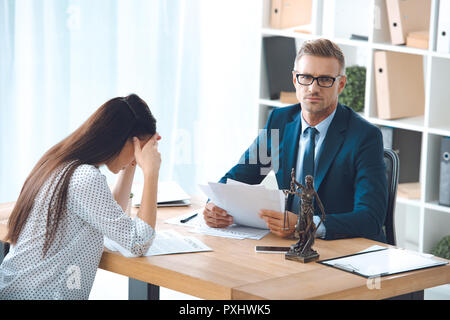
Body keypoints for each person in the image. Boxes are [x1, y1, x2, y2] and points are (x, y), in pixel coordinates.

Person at [203, 38, 388, 243]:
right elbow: (239, 178)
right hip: (288, 245)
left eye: (325, 79)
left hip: (340, 248)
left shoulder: (365, 136)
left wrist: (304, 224)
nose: (312, 88)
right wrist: (215, 205)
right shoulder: (280, 121)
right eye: (306, 77)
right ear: (294, 80)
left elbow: (371, 217)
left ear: (341, 84)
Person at [0, 94, 161, 300]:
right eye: (139, 150)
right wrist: (151, 172)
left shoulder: (62, 164)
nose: (139, 158)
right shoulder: (85, 178)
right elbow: (138, 242)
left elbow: (112, 217)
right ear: (122, 140)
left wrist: (131, 166)